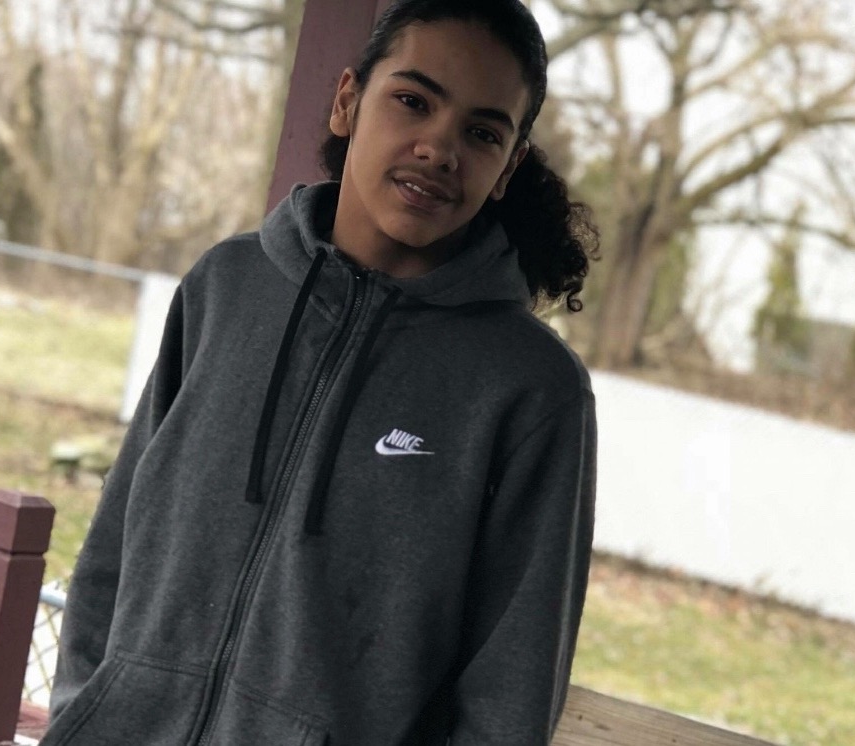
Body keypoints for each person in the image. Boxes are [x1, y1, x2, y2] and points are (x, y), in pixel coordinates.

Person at [42, 0, 598, 743]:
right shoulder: (226, 287)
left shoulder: (530, 389)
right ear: (346, 101)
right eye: (413, 101)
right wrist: (83, 713)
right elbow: (116, 546)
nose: (439, 148)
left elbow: (510, 687)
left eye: (482, 133)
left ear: (508, 169)